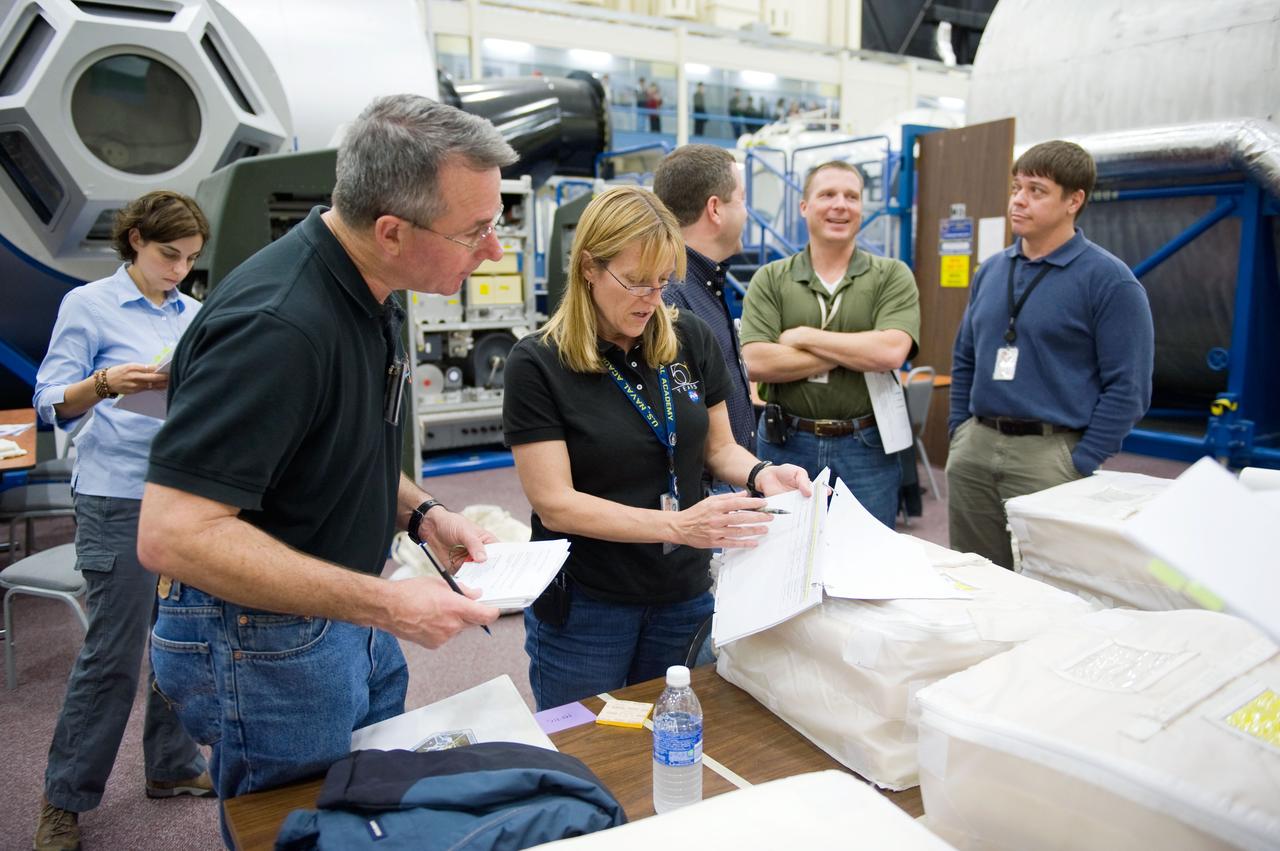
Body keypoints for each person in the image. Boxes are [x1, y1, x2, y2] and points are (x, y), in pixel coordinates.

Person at [135, 95, 514, 839]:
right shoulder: (277, 325)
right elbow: (173, 535)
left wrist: (422, 514)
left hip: (341, 606)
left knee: (362, 811)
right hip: (263, 638)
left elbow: (344, 444)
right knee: (298, 827)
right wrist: (389, 606)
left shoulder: (374, 287)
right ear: (392, 229)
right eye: (476, 230)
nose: (494, 250)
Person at [502, 186, 810, 711]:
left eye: (664, 281)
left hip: (682, 595)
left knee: (678, 742)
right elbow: (555, 502)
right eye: (637, 282)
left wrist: (761, 473)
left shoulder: (688, 337)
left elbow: (719, 449)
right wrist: (677, 526)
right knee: (588, 756)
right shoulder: (537, 363)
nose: (653, 298)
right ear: (589, 269)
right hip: (588, 606)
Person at [31, 190, 214, 851]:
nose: (180, 271)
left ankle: (171, 765)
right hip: (115, 496)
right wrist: (108, 382)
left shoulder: (196, 313)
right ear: (134, 238)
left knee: (182, 639)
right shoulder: (89, 305)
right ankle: (63, 800)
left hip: (183, 492)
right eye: (170, 255)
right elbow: (52, 400)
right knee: (112, 658)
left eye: (192, 259)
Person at [947, 140, 1153, 568]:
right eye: (1016, 187)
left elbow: (1129, 387)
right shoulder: (991, 272)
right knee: (972, 574)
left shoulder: (1109, 281)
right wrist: (959, 434)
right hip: (975, 448)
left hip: (1051, 454)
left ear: (1073, 201)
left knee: (1049, 580)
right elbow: (965, 357)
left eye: (1036, 190)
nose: (1019, 200)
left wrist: (1081, 459)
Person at [739, 161, 920, 529]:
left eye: (851, 197)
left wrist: (803, 336)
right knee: (782, 555)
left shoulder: (892, 276)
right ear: (804, 207)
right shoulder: (771, 279)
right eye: (827, 195)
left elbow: (890, 353)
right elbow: (756, 361)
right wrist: (856, 352)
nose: (841, 205)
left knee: (867, 562)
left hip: (866, 446)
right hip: (785, 443)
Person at [653, 144, 754, 460]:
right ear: (715, 209)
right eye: (742, 199)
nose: (747, 212)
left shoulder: (705, 284)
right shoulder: (672, 298)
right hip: (711, 491)